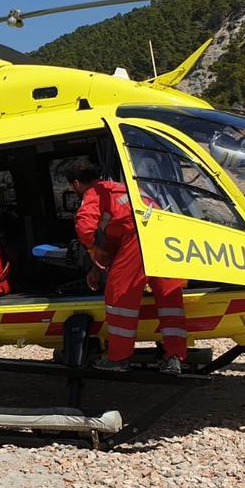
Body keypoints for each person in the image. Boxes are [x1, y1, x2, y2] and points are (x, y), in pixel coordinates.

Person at [64, 160, 187, 374]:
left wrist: (91, 249)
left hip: (138, 240)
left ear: (76, 184)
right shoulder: (124, 188)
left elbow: (84, 227)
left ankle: (118, 358)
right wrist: (98, 266)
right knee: (170, 298)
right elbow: (115, 237)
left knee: (119, 296)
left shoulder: (95, 192)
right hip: (164, 238)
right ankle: (174, 357)